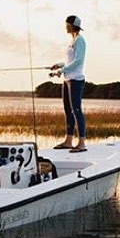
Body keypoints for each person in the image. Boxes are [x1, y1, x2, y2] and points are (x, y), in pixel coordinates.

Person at [50, 15, 87, 152]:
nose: (65, 26)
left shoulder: (80, 40)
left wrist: (62, 70)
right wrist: (59, 65)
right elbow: (71, 60)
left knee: (76, 110)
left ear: (73, 25)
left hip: (76, 79)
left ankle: (81, 143)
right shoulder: (73, 40)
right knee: (68, 111)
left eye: (67, 24)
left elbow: (78, 61)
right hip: (67, 79)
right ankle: (68, 141)